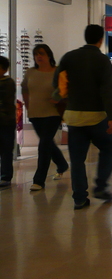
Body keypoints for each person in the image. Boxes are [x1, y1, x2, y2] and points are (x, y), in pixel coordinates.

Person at [54, 24, 112, 209]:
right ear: (101, 39)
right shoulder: (102, 60)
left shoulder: (68, 57)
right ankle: (101, 186)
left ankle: (79, 198)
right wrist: (111, 117)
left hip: (73, 116)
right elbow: (107, 90)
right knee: (107, 148)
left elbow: (57, 85)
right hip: (97, 116)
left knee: (77, 159)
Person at [22, 44, 69, 190]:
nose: (38, 57)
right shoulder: (30, 72)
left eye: (41, 53)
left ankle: (39, 180)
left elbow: (65, 89)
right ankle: (62, 164)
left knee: (43, 144)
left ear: (49, 55)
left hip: (53, 113)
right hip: (35, 113)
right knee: (47, 142)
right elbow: (25, 90)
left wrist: (58, 98)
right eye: (36, 54)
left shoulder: (57, 72)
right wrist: (28, 106)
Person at [0, 56, 16, 190]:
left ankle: (5, 176)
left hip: (6, 122)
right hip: (6, 121)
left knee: (6, 150)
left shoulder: (8, 83)